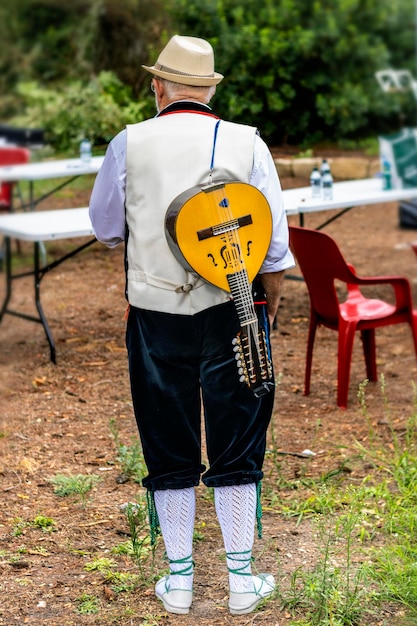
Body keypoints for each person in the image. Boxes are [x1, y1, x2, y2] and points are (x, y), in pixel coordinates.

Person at [89, 34, 294, 616]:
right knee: (238, 439)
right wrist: (264, 313)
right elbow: (275, 248)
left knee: (166, 439)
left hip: (155, 315)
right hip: (236, 310)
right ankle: (240, 582)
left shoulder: (128, 143)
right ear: (207, 91)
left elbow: (106, 227)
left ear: (159, 88)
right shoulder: (247, 142)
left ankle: (179, 582)